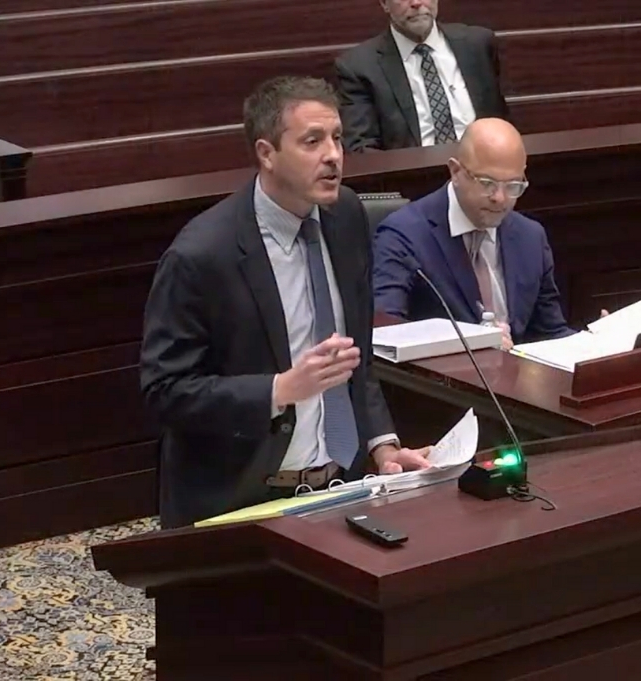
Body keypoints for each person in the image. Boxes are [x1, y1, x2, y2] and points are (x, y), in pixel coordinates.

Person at [141, 76, 432, 529]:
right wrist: (278, 391)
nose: (334, 155)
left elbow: (356, 359)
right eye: (312, 141)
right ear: (266, 153)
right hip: (243, 500)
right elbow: (166, 392)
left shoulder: (347, 216)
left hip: (342, 488)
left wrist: (383, 446)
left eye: (337, 138)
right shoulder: (202, 255)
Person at [372, 118, 575, 348]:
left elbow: (550, 332)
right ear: (456, 171)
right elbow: (385, 331)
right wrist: (475, 342)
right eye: (487, 183)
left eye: (513, 186)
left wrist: (597, 346)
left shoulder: (530, 237)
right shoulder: (404, 235)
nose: (500, 197)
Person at [335, 0, 509, 153]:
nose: (416, 3)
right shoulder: (359, 66)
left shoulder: (478, 44)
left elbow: (501, 122)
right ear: (384, 3)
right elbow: (361, 148)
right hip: (412, 178)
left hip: (483, 171)